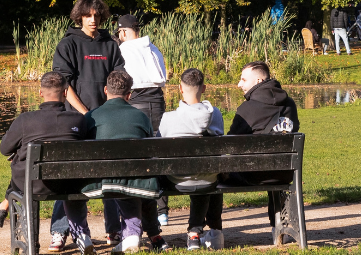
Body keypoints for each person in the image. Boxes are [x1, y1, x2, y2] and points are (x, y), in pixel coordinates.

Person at [0, 72, 97, 255]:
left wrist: (20, 152)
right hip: (71, 183)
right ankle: (80, 234)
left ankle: (27, 240)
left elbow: (4, 149)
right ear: (65, 93)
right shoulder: (79, 120)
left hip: (34, 185)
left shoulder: (25, 120)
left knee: (22, 165)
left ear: (40, 93)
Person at [49, 0, 124, 250]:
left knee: (110, 175)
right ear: (79, 15)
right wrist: (85, 113)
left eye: (97, 15)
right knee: (72, 177)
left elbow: (120, 79)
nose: (93, 20)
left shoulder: (110, 44)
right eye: (88, 15)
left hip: (107, 119)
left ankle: (114, 231)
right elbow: (63, 83)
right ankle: (60, 232)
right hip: (76, 119)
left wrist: (115, 108)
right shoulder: (68, 43)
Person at [82, 71, 161, 253]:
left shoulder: (91, 117)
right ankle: (133, 234)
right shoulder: (141, 117)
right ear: (129, 94)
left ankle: (87, 235)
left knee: (114, 176)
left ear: (105, 90)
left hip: (99, 181)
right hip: (138, 180)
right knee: (129, 177)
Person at [157, 68, 225, 251]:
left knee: (192, 173)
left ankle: (153, 230)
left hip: (176, 179)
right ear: (203, 88)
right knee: (204, 175)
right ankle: (195, 234)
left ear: (180, 88)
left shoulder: (168, 118)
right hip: (207, 179)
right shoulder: (216, 114)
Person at [226, 61, 300, 230]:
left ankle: (214, 232)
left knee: (214, 175)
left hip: (252, 175)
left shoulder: (247, 109)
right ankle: (278, 227)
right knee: (273, 161)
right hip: (285, 173)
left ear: (258, 82)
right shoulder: (290, 104)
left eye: (243, 80)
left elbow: (229, 144)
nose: (239, 84)